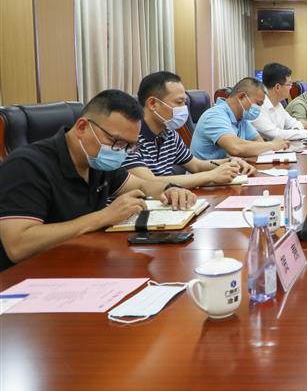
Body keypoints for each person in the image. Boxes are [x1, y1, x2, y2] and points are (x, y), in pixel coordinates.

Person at [0, 90, 196, 270]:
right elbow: (18, 246)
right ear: (82, 127)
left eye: (130, 146)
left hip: (82, 262)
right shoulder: (26, 165)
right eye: (116, 141)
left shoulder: (96, 161)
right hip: (31, 277)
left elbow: (142, 185)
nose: (121, 151)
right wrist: (103, 217)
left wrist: (169, 188)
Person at [123, 71, 255, 187]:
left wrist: (230, 162)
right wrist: (211, 176)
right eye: (179, 102)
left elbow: (196, 165)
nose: (184, 108)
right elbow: (149, 182)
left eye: (185, 103)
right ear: (153, 104)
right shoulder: (128, 138)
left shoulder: (169, 133)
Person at [190, 78, 290, 160]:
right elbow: (235, 147)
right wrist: (272, 145)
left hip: (229, 172)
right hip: (206, 175)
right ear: (242, 97)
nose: (259, 109)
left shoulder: (241, 118)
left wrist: (249, 148)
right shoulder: (215, 115)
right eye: (258, 104)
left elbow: (259, 142)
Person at [254, 63, 307, 140]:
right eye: (289, 84)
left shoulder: (278, 105)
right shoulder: (258, 107)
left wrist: (299, 131)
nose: (291, 87)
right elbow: (275, 134)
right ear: (277, 87)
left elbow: (294, 123)